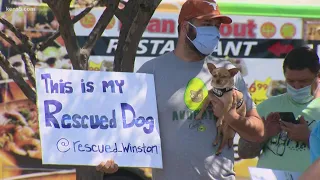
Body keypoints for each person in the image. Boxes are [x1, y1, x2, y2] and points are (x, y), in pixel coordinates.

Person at [97, 0, 265, 179]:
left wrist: (232, 117)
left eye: (216, 26)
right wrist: (110, 156)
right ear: (186, 27)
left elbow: (258, 132)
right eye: (207, 24)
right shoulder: (152, 71)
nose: (214, 31)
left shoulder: (226, 71)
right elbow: (124, 124)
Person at [238, 47, 320, 173]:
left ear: (317, 76)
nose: (297, 86)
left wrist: (309, 138)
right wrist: (263, 135)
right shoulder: (268, 106)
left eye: (304, 81)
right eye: (291, 81)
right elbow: (244, 152)